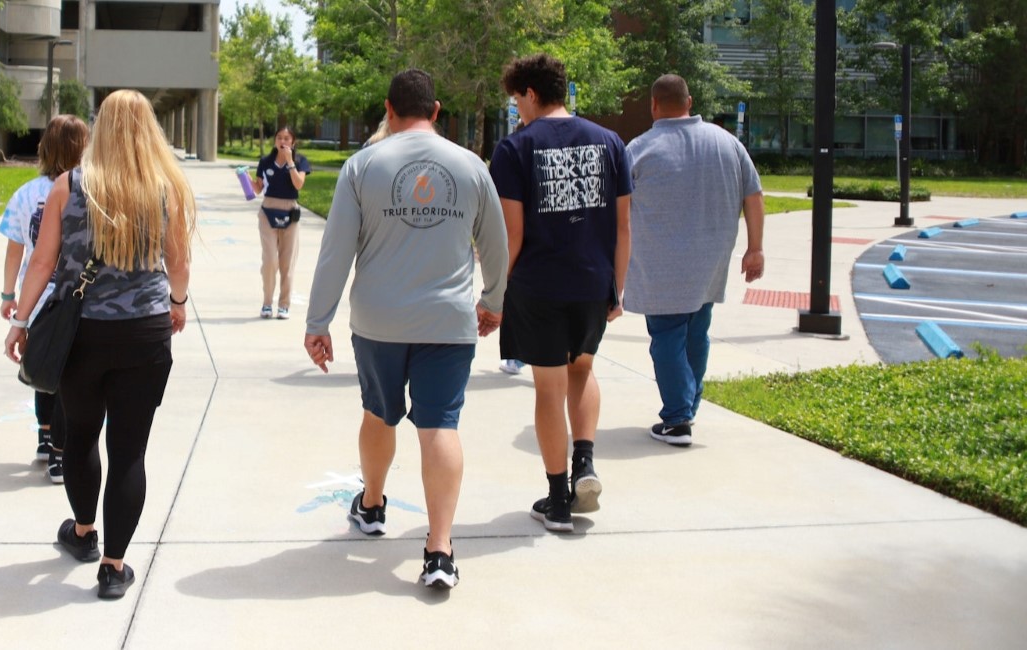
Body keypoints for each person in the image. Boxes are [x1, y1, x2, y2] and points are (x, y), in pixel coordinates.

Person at [305, 69, 508, 589]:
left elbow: (336, 252)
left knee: (379, 413)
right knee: (440, 425)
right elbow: (496, 246)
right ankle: (439, 549)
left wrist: (317, 320)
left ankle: (372, 505)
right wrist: (493, 302)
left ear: (389, 110)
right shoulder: (471, 167)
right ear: (436, 111)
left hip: (379, 322)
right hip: (449, 322)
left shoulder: (362, 166)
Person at [5, 90, 195, 600]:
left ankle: (85, 533)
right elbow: (177, 265)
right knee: (129, 451)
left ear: (102, 129)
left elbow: (42, 263)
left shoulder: (69, 186)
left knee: (82, 435)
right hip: (146, 332)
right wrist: (177, 302)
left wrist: (19, 320)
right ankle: (114, 567)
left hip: (81, 334)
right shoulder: (165, 189)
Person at [489, 53, 632, 534]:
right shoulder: (611, 142)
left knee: (548, 390)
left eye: (517, 101)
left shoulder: (514, 150)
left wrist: (494, 294)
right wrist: (618, 287)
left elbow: (512, 234)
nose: (518, 111)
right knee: (583, 369)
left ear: (530, 93)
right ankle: (584, 464)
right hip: (594, 281)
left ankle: (556, 501)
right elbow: (624, 226)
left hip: (539, 285)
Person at [624, 74, 764, 447]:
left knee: (668, 336)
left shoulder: (638, 149)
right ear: (689, 101)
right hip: (711, 261)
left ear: (654, 105)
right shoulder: (727, 143)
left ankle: (677, 418)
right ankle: (688, 406)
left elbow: (615, 210)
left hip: (660, 266)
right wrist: (755, 248)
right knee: (696, 333)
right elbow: (754, 195)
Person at [0, 114, 90, 483]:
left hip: (36, 300)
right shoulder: (86, 190)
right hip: (73, 298)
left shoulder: (25, 194)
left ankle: (44, 434)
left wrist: (10, 295)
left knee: (41, 368)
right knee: (69, 376)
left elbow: (14, 251)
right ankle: (59, 454)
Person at [251, 126, 311, 320]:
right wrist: (246, 180)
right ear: (275, 141)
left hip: (290, 211)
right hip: (268, 210)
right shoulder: (265, 161)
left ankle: (284, 305)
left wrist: (290, 162)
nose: (283, 141)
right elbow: (258, 189)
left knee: (287, 261)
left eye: (287, 138)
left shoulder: (301, 161)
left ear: (293, 142)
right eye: (279, 138)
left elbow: (299, 184)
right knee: (269, 260)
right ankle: (266, 303)